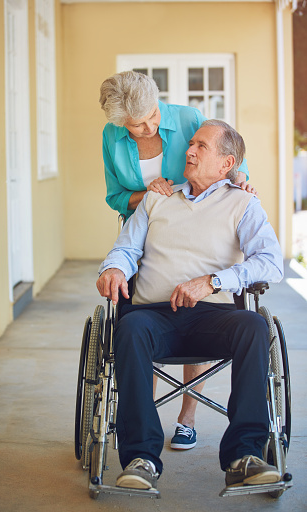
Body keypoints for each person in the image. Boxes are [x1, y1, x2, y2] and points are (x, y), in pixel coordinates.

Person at [96, 120, 284, 491]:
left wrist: (213, 281)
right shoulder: (157, 198)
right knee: (129, 327)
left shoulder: (243, 202)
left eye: (201, 146)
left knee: (254, 326)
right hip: (152, 317)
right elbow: (126, 248)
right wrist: (115, 268)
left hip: (213, 317)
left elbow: (272, 262)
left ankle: (243, 456)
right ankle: (142, 457)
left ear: (225, 164)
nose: (189, 151)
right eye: (190, 144)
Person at [99, 71, 256, 450]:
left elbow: (226, 163)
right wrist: (149, 195)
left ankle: (188, 416)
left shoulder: (188, 118)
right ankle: (144, 419)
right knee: (139, 318)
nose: (150, 125)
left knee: (199, 296)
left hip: (203, 230)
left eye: (153, 115)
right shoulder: (111, 138)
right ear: (120, 124)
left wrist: (244, 184)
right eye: (138, 125)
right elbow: (116, 195)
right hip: (150, 227)